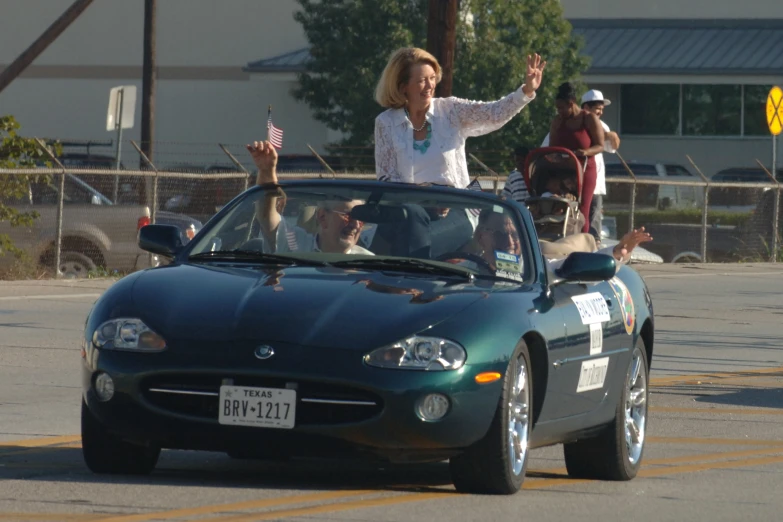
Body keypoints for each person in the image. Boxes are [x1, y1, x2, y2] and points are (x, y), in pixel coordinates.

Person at [374, 47, 546, 188]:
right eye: (421, 80)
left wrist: (526, 91)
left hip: (454, 207)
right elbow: (387, 179)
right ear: (403, 87)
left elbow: (494, 113)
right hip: (411, 211)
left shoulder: (451, 110)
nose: (430, 86)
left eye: (432, 78)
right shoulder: (386, 122)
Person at [245, 140, 372, 255]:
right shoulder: (296, 244)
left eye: (360, 219)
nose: (355, 225)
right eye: (348, 215)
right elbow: (267, 217)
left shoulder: (369, 265)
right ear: (322, 217)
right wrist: (267, 171)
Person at [546, 82, 604, 234]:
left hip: (585, 168)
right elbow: (551, 147)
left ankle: (582, 240)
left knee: (583, 208)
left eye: (562, 108)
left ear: (571, 104)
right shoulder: (558, 121)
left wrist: (585, 152)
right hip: (564, 170)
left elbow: (600, 145)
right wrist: (552, 157)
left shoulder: (589, 119)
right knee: (559, 205)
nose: (559, 111)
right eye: (557, 108)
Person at [580, 89, 621, 239]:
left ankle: (593, 245)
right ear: (586, 108)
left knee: (594, 221)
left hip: (595, 184)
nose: (600, 112)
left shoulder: (602, 125)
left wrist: (612, 135)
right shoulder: (575, 123)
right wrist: (606, 135)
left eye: (601, 109)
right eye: (597, 109)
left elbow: (614, 147)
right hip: (577, 181)